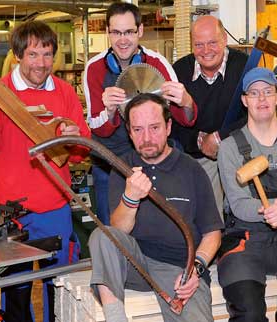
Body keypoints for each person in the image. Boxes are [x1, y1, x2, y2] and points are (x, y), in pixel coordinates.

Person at [0, 21, 91, 322]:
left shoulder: (64, 92)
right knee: (13, 289)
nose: (41, 64)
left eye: (47, 55)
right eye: (33, 54)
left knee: (59, 283)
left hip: (54, 208)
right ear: (18, 54)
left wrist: (74, 136)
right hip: (10, 211)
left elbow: (81, 151)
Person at [88, 93, 223, 322]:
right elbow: (118, 230)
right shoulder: (123, 167)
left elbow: (213, 234)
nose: (147, 138)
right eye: (138, 130)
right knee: (103, 235)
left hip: (179, 267)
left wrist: (196, 268)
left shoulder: (191, 169)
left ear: (169, 127)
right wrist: (130, 198)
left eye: (154, 127)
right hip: (136, 264)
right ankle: (115, 317)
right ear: (129, 132)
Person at [83, 2, 196, 226]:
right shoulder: (94, 68)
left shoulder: (158, 63)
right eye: (116, 32)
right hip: (111, 162)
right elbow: (96, 128)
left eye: (129, 32)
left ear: (140, 31)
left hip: (153, 157)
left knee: (161, 224)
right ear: (107, 32)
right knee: (114, 230)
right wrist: (109, 110)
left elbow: (185, 119)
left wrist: (187, 101)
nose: (122, 39)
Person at [217, 67, 277, 322]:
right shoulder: (229, 148)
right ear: (245, 100)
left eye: (267, 92)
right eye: (254, 93)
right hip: (243, 242)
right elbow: (239, 205)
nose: (261, 99)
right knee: (250, 315)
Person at [171, 15, 249, 215]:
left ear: (224, 39)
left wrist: (219, 137)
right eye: (199, 44)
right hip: (198, 154)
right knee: (208, 214)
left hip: (239, 150)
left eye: (213, 42)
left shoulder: (245, 66)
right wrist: (199, 141)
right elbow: (171, 121)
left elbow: (255, 115)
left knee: (244, 210)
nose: (206, 51)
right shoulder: (178, 71)